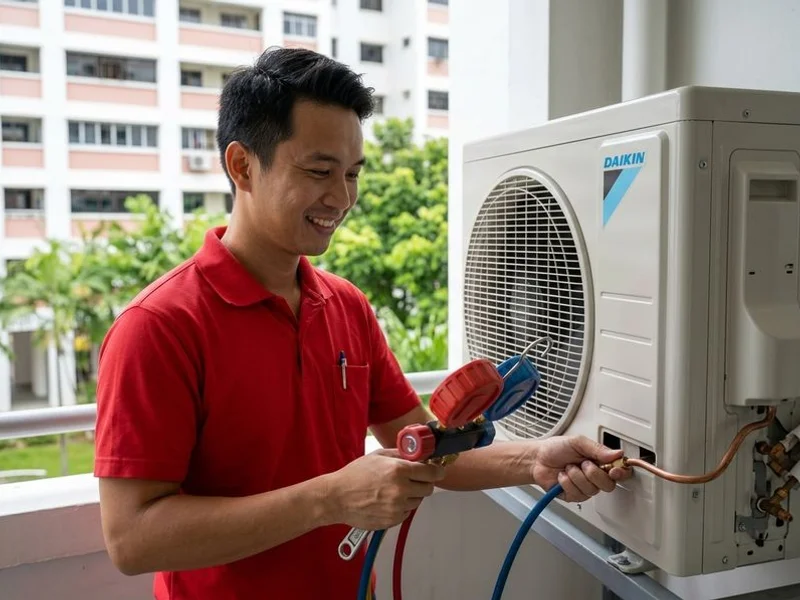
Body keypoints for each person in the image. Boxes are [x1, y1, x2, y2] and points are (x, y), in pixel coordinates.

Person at [93, 47, 630, 600]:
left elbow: (422, 444)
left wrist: (535, 459)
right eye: (320, 171)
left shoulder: (345, 306)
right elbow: (132, 538)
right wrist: (330, 498)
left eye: (351, 174)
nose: (342, 197)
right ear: (242, 166)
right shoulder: (158, 327)